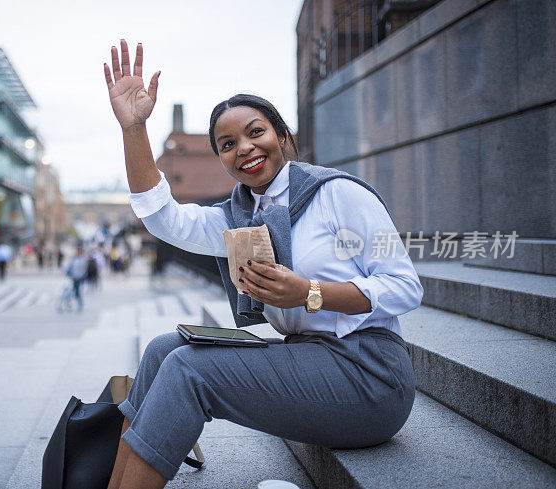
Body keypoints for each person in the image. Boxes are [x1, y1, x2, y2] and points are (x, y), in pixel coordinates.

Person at [102, 41, 423, 489]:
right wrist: (134, 129)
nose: (246, 149)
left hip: (370, 377)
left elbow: (406, 287)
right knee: (162, 350)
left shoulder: (339, 194)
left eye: (256, 132)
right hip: (310, 357)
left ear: (281, 133)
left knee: (189, 369)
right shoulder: (238, 217)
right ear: (221, 159)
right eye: (228, 144)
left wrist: (310, 292)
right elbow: (163, 218)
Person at [63, 245, 89, 312]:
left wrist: (79, 277)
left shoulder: (83, 259)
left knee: (77, 291)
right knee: (70, 291)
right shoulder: (73, 259)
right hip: (73, 277)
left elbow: (84, 269)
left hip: (80, 278)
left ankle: (80, 304)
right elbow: (69, 267)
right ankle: (69, 304)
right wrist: (69, 274)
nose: (78, 252)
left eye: (79, 251)